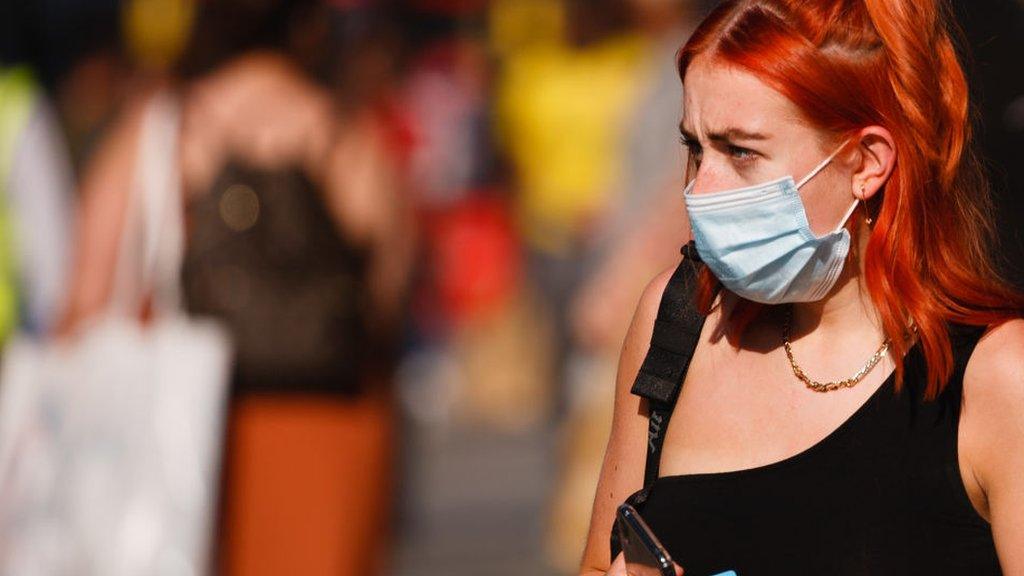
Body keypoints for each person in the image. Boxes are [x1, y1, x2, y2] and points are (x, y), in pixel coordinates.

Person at [579, 0, 1024, 574]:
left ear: (867, 162)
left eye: (741, 151)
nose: (701, 191)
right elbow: (599, 561)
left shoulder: (997, 375)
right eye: (696, 147)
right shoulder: (681, 318)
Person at [58, 2, 413, 574]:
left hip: (186, 424)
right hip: (328, 424)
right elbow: (390, 287)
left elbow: (89, 288)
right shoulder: (343, 130)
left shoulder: (163, 131)